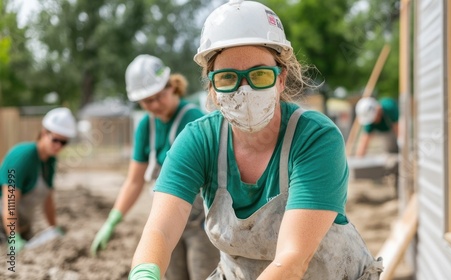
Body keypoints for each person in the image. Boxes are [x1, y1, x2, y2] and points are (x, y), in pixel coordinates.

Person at [128, 1, 383, 279]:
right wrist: (144, 272)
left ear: (281, 78)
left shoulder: (315, 139)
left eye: (259, 75)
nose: (244, 89)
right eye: (228, 78)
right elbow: (160, 230)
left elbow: (292, 259)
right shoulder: (199, 140)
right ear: (212, 87)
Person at [90, 54, 219, 280]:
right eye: (148, 101)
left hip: (201, 223)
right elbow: (134, 180)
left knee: (203, 274)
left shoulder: (194, 120)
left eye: (160, 96)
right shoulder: (145, 127)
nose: (155, 105)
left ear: (171, 86)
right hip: (167, 219)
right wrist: (113, 220)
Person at [0, 107, 76, 252]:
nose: (59, 146)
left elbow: (48, 200)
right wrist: (13, 238)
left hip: (22, 228)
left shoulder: (50, 161)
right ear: (43, 133)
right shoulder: (22, 156)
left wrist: (54, 229)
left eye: (64, 142)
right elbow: (9, 202)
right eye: (55, 140)